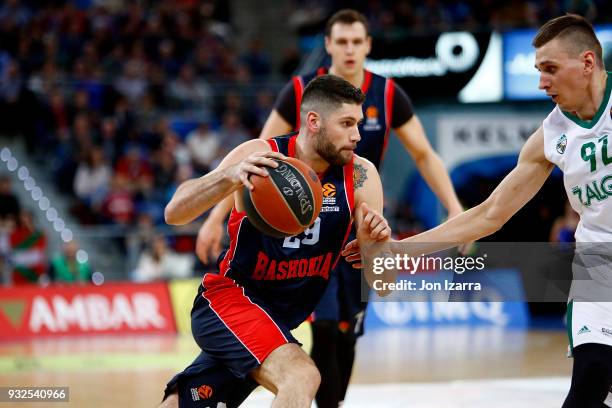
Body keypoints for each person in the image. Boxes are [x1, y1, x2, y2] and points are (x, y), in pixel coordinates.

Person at [194, 9, 464, 407]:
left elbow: (424, 154)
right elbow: (254, 156)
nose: (350, 49)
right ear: (328, 46)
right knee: (321, 325)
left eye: (357, 42)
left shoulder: (388, 95)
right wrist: (216, 217)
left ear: (368, 45)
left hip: (357, 225)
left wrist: (455, 209)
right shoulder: (303, 91)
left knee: (344, 332)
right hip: (305, 229)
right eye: (342, 42)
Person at [344, 14, 612, 408]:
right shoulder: (551, 135)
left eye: (550, 69)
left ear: (587, 63)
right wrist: (400, 252)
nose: (542, 82)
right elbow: (490, 214)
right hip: (598, 265)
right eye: (539, 71)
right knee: (589, 379)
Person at [159, 75, 391, 408]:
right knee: (303, 375)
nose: (357, 134)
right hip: (231, 301)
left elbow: (382, 284)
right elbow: (174, 212)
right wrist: (227, 176)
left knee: (183, 403)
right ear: (313, 121)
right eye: (347, 123)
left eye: (358, 123)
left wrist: (379, 246)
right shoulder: (261, 155)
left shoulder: (361, 176)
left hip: (278, 320)